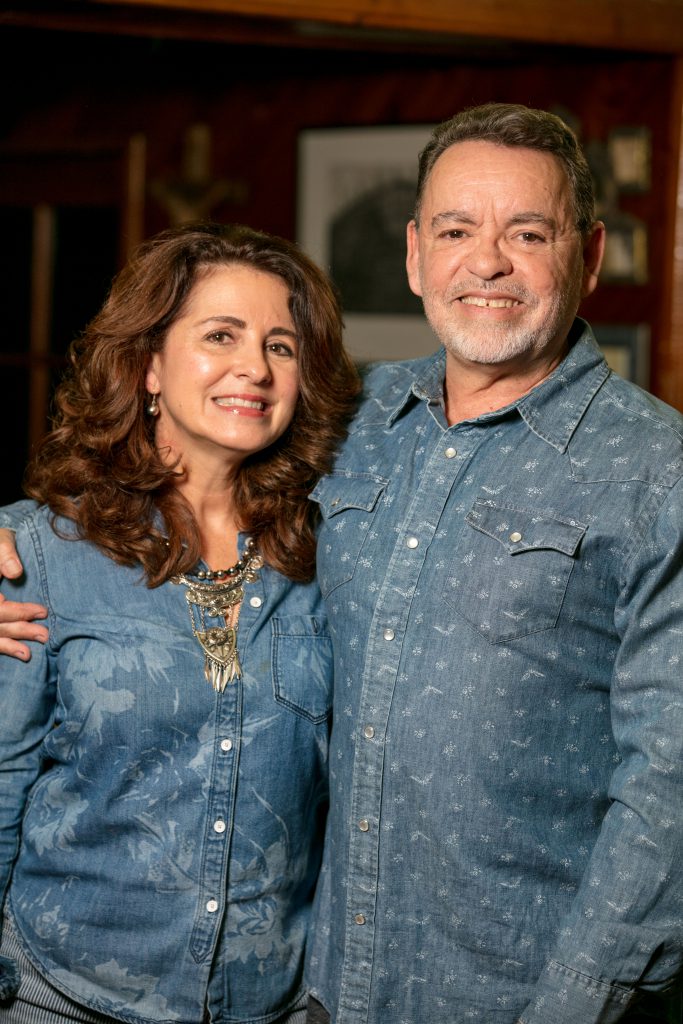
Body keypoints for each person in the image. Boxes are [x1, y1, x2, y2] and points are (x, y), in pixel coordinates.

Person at [2, 103, 683, 1024]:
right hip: (312, 993)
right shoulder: (358, 427)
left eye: (528, 233)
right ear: (413, 255)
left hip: (508, 998)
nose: (485, 262)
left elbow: (667, 794)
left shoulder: (653, 470)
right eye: (454, 230)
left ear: (589, 256)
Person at [0, 220, 360, 1023]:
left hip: (267, 1006)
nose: (253, 369)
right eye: (221, 335)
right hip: (60, 998)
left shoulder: (335, 553)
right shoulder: (39, 551)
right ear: (149, 365)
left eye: (281, 346)